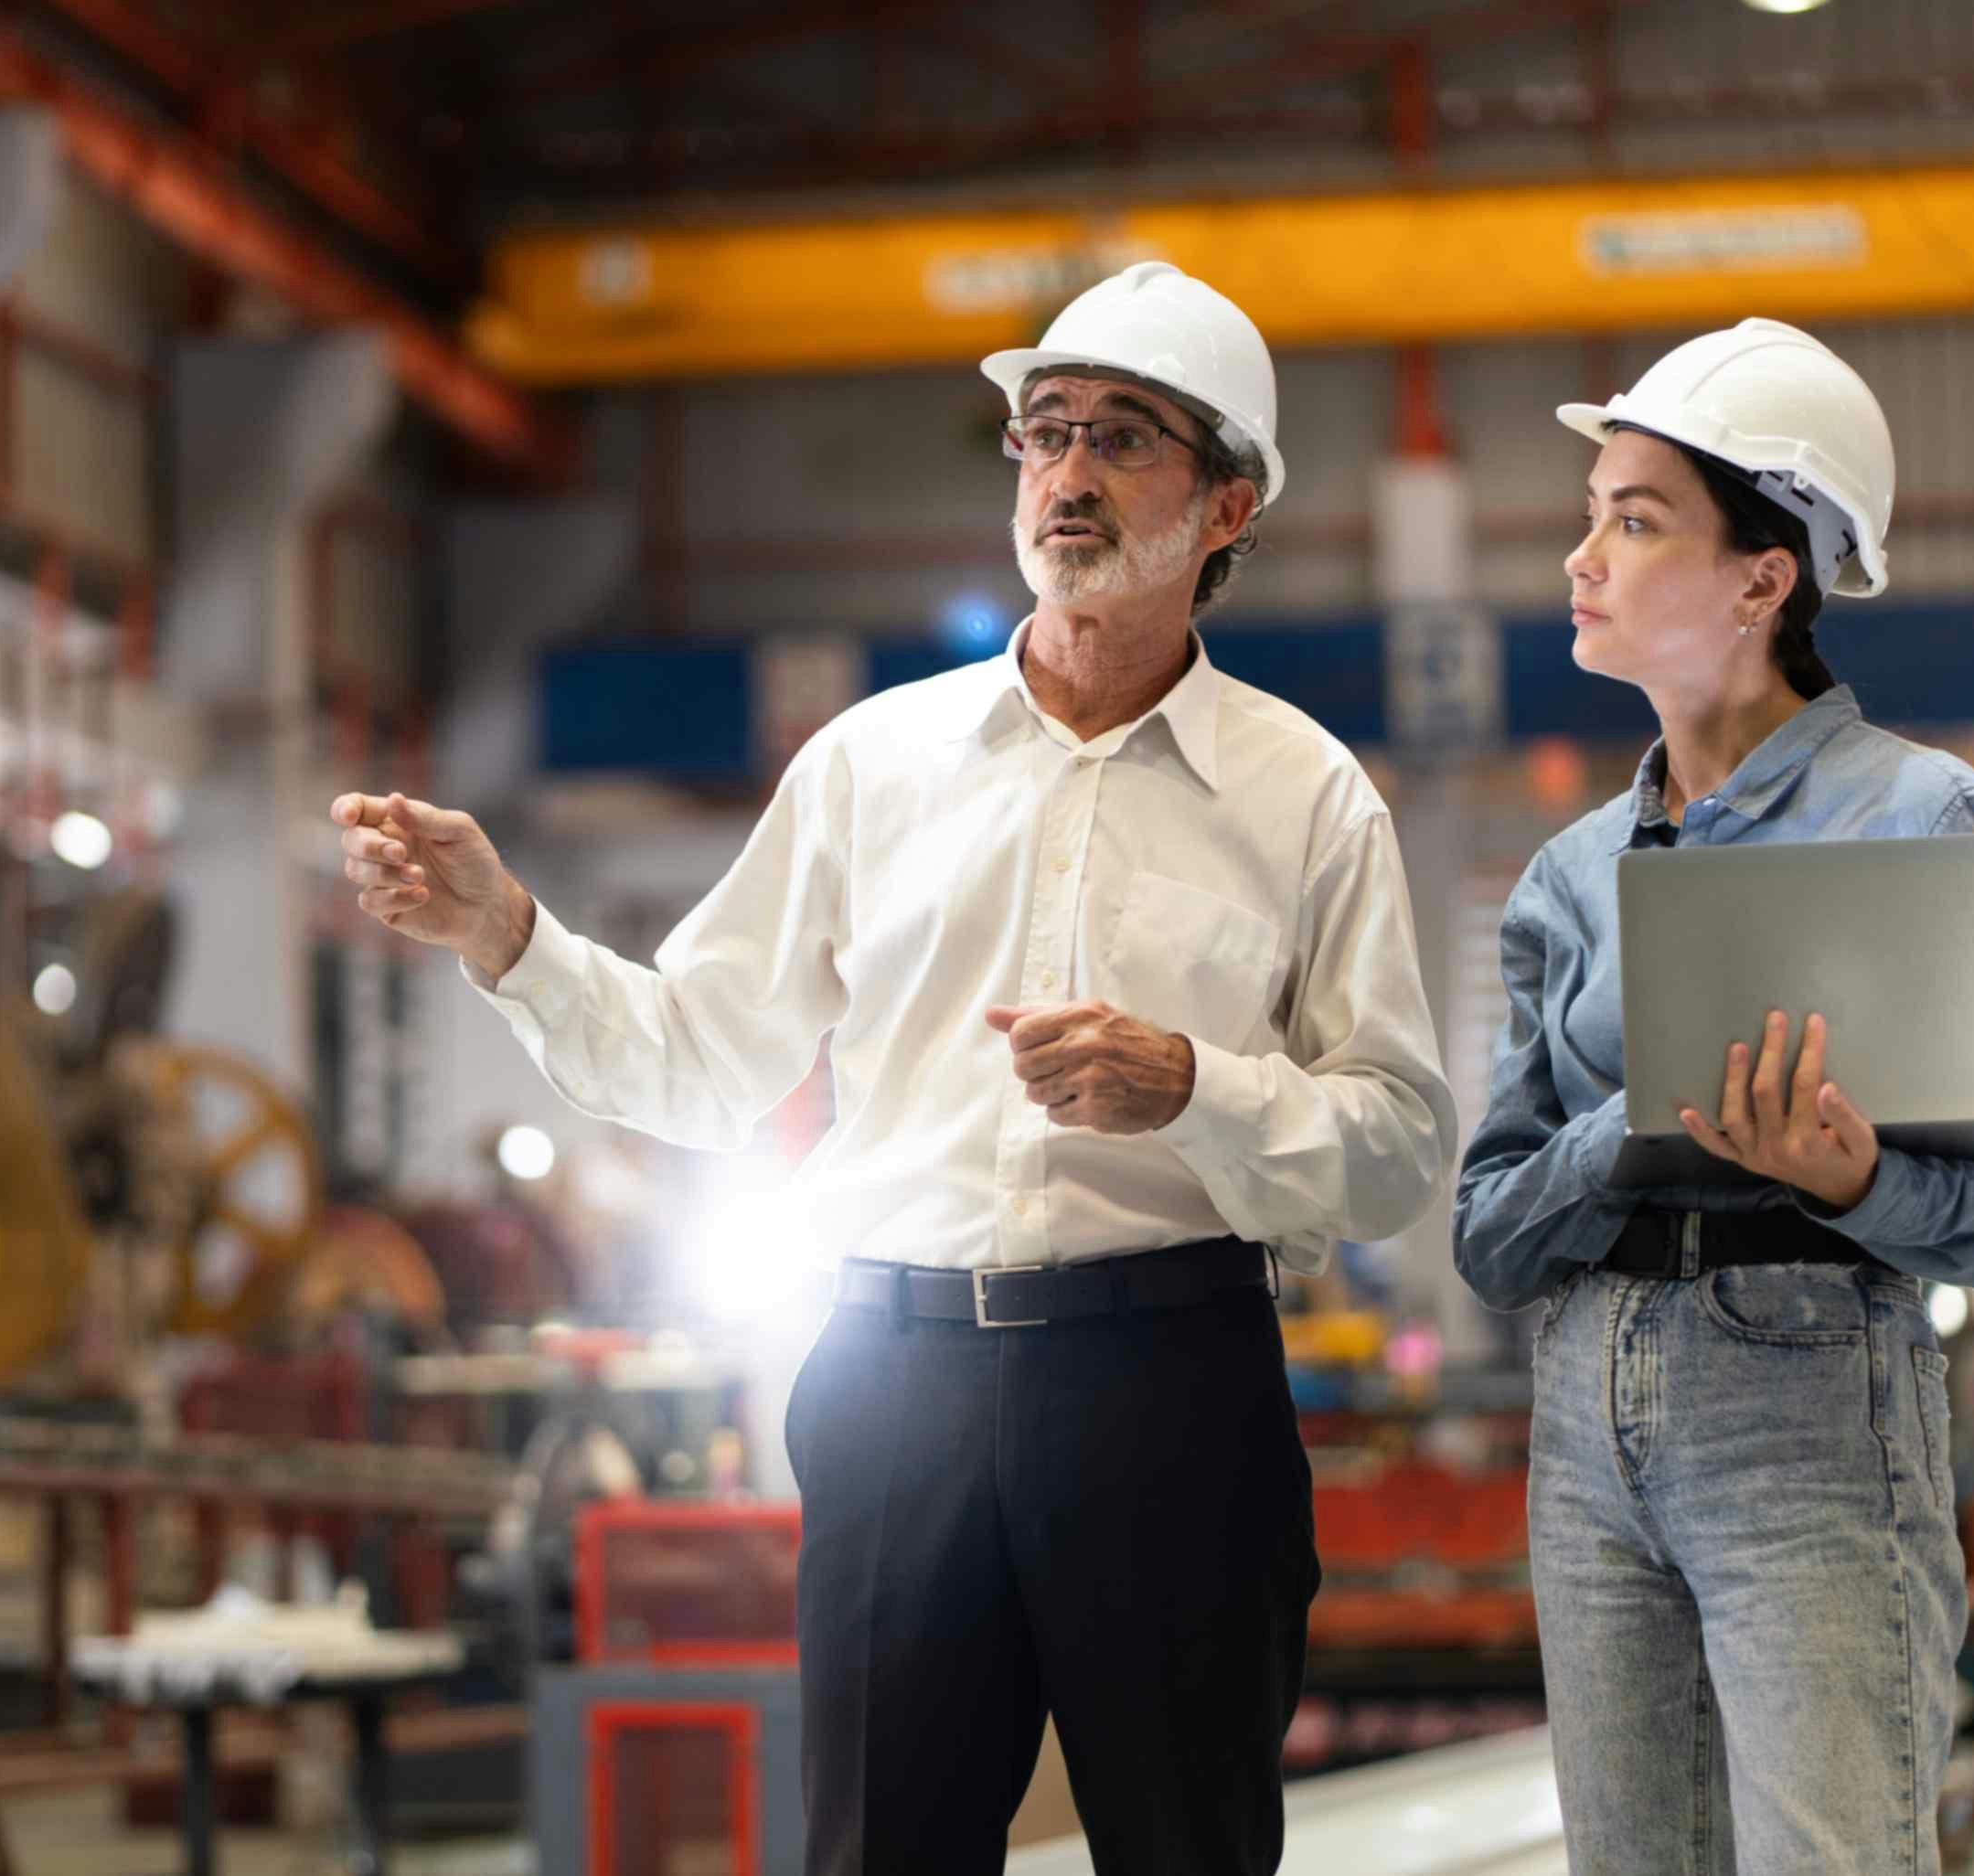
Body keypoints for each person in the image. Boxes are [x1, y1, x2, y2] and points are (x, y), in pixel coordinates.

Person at [335, 261, 1456, 1874]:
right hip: (892, 1382)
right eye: (1041, 432)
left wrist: (1193, 1088)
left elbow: (1399, 1141)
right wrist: (513, 932)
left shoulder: (1305, 798)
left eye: (1121, 439)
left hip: (1167, 1381)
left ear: (1224, 507)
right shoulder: (875, 764)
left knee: (1188, 1849)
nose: (1064, 473)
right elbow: (707, 1063)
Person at [1454, 318, 1974, 1874]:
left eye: (1632, 518)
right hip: (1580, 1411)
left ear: (1763, 576)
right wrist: (1636, 1124)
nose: (1579, 557)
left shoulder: (1919, 816)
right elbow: (1487, 1234)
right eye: (1588, 512)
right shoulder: (1567, 876)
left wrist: (1850, 1181)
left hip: (1808, 1406)